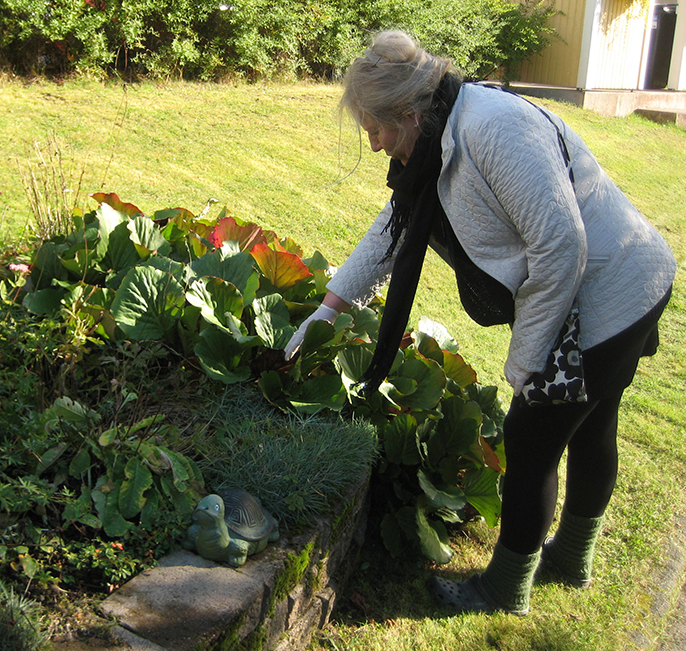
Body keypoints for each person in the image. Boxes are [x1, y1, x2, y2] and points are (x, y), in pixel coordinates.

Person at [284, 30, 676, 616]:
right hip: (605, 286)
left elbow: (561, 244)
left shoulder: (492, 128)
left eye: (376, 130)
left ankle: (504, 589)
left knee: (530, 439)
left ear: (410, 114)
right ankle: (570, 560)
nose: (374, 146)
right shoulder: (437, 139)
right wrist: (326, 311)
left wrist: (526, 360)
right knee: (591, 428)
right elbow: (390, 233)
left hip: (613, 291)